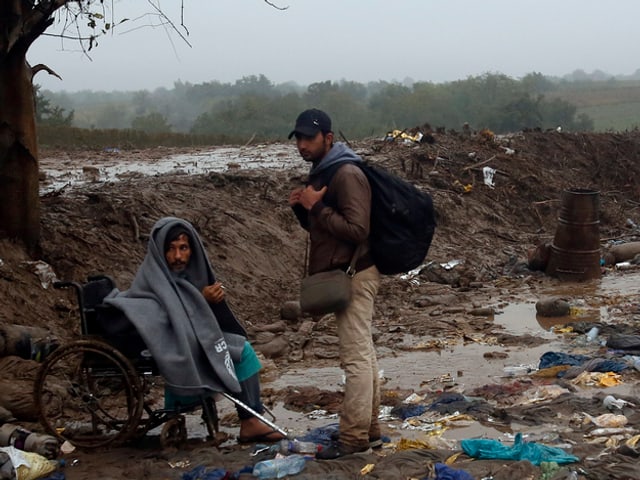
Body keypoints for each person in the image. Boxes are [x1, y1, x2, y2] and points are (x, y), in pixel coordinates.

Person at [104, 216, 284, 443]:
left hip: (193, 338)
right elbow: (160, 318)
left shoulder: (186, 276)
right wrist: (201, 298)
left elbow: (190, 311)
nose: (178, 256)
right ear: (160, 251)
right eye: (171, 249)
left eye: (183, 248)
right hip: (173, 344)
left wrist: (211, 299)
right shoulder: (152, 279)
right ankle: (249, 422)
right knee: (238, 352)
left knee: (243, 350)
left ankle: (250, 418)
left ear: (193, 250)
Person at [288, 109, 382, 459]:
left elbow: (358, 231)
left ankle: (354, 438)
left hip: (355, 276)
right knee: (364, 355)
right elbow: (327, 232)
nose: (301, 144)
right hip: (349, 273)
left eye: (308, 138)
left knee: (355, 359)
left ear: (328, 137)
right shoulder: (326, 171)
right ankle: (369, 431)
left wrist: (318, 207)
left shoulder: (347, 173)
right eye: (297, 138)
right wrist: (306, 209)